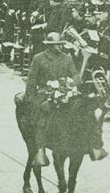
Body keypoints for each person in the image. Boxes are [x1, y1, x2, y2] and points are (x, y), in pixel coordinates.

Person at [24, 32, 77, 165]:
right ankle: (40, 150)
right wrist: (31, 99)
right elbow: (32, 80)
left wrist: (73, 82)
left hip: (65, 92)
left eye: (60, 44)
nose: (59, 47)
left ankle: (90, 143)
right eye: (56, 45)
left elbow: (75, 75)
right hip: (44, 93)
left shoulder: (67, 58)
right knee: (42, 118)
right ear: (49, 46)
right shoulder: (39, 58)